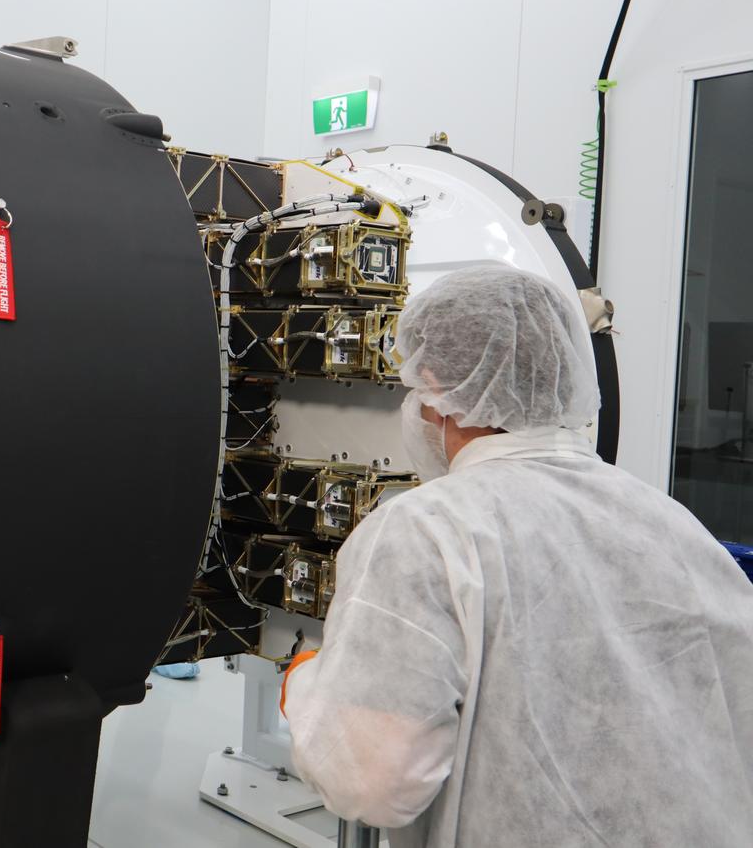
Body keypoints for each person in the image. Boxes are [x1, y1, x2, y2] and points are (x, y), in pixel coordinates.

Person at [280, 266, 753, 847]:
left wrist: (305, 686)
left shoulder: (425, 531)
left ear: (433, 382)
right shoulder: (667, 519)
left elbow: (374, 781)